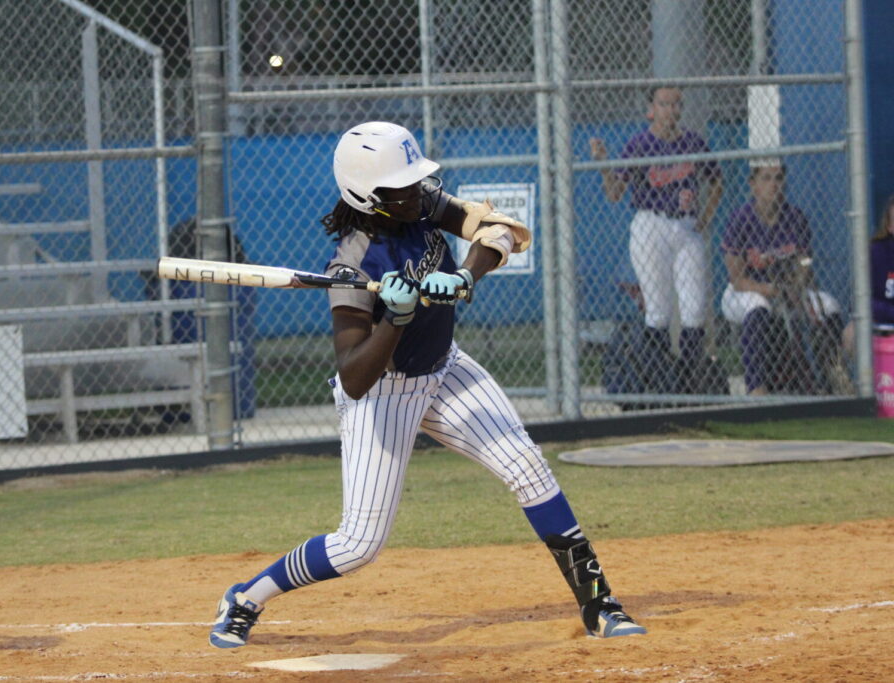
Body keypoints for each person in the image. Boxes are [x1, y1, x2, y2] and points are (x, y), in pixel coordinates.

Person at [208, 121, 646, 649]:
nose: (420, 191)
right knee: (358, 546)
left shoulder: (421, 203)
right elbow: (353, 377)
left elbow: (503, 230)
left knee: (528, 466)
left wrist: (466, 276)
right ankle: (246, 597)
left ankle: (600, 603)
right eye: (405, 186)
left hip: (445, 370)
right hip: (384, 394)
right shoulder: (351, 264)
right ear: (370, 197)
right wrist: (394, 317)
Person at [590, 87, 724, 393]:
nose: (671, 110)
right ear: (652, 109)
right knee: (659, 310)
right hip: (651, 224)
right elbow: (614, 194)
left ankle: (692, 384)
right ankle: (659, 381)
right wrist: (603, 162)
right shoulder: (640, 144)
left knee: (694, 308)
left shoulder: (692, 142)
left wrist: (706, 216)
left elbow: (717, 179)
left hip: (687, 227)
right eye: (664, 104)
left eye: (676, 104)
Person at [720, 162, 844, 395]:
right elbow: (737, 278)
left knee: (829, 306)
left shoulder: (795, 217)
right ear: (753, 185)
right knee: (757, 307)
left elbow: (805, 263)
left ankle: (832, 378)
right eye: (766, 178)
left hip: (788, 289)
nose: (773, 185)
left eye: (778, 178)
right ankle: (757, 388)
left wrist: (794, 285)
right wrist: (770, 289)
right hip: (745, 292)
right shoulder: (739, 219)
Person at [870, 194, 894, 326]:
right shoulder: (876, 252)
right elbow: (863, 300)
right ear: (889, 227)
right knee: (850, 334)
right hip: (882, 323)